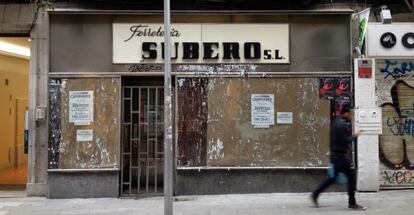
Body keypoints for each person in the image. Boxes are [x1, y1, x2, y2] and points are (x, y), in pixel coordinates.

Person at [311, 106, 367, 211]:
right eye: (351, 114)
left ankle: (315, 194)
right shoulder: (342, 124)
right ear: (346, 113)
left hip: (335, 156)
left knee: (332, 178)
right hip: (341, 157)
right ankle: (352, 203)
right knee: (351, 178)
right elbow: (344, 141)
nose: (352, 116)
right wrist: (355, 136)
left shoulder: (336, 121)